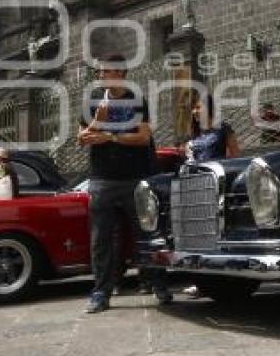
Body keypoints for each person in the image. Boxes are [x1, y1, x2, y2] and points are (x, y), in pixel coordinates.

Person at [77, 54, 171, 314]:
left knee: (149, 234)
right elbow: (82, 138)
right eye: (99, 72)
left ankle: (159, 284)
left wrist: (108, 135)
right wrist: (98, 120)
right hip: (101, 180)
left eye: (104, 71)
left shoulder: (137, 100)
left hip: (135, 179)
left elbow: (142, 138)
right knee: (101, 239)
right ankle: (101, 293)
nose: (99, 76)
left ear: (119, 73)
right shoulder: (93, 101)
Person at [182, 92, 240, 299]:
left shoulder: (223, 129)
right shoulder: (193, 134)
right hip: (197, 187)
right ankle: (201, 283)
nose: (196, 111)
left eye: (200, 107)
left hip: (218, 185)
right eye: (194, 108)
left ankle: (225, 277)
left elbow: (235, 155)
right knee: (198, 235)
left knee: (218, 233)